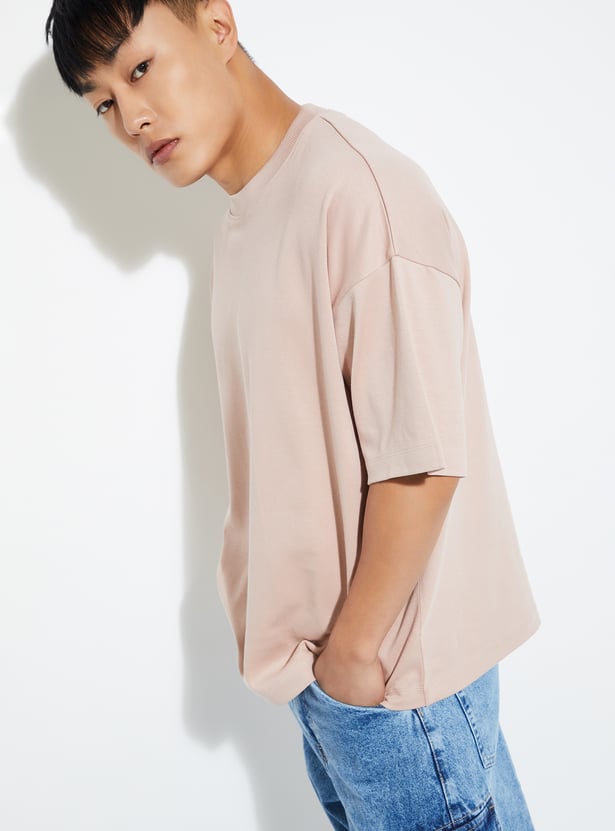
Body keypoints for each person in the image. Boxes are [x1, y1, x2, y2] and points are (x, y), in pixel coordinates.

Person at [44, 2, 542, 829]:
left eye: (139, 69)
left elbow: (422, 461)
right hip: (339, 682)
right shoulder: (254, 211)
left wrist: (353, 656)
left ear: (217, 26)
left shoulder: (356, 193)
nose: (131, 118)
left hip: (391, 685)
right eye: (103, 103)